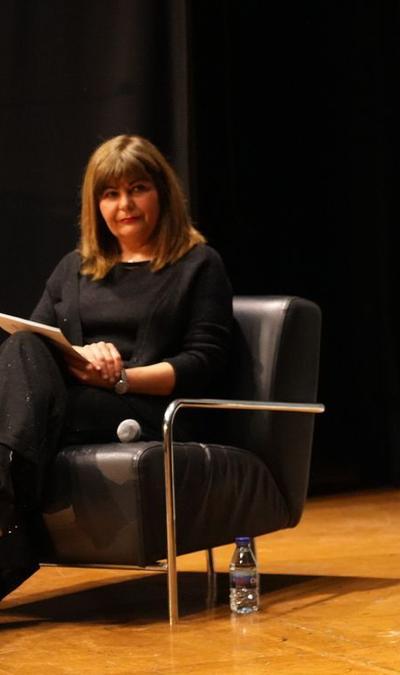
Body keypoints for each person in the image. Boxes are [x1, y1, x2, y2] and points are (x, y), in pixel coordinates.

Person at [0, 134, 234, 600]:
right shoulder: (75, 268)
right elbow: (38, 344)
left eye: (137, 188)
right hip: (71, 402)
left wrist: (122, 378)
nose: (124, 204)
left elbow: (204, 362)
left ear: (161, 193)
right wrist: (83, 357)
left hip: (149, 410)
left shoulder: (197, 264)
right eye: (110, 193)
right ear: (96, 204)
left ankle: (9, 530)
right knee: (23, 347)